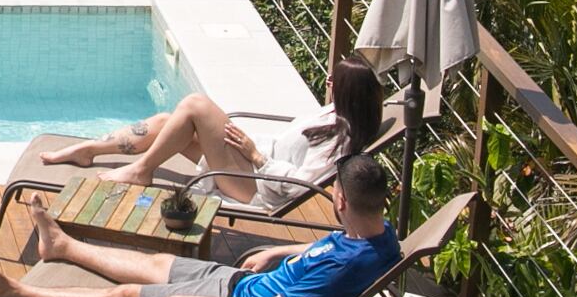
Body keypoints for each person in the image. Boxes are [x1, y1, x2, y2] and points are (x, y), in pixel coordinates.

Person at [0, 152, 402, 297]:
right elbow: (327, 246)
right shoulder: (380, 237)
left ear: (340, 199)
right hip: (242, 287)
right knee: (158, 263)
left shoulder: (344, 265)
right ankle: (63, 246)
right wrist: (279, 250)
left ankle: (16, 292)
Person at [41, 57, 384, 210]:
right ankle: (90, 149)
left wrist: (255, 156)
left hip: (255, 187)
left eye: (335, 80)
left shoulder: (340, 140)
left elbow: (300, 186)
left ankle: (140, 171)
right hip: (252, 167)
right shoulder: (334, 115)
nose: (328, 81)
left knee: (195, 105)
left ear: (349, 93)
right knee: (166, 120)